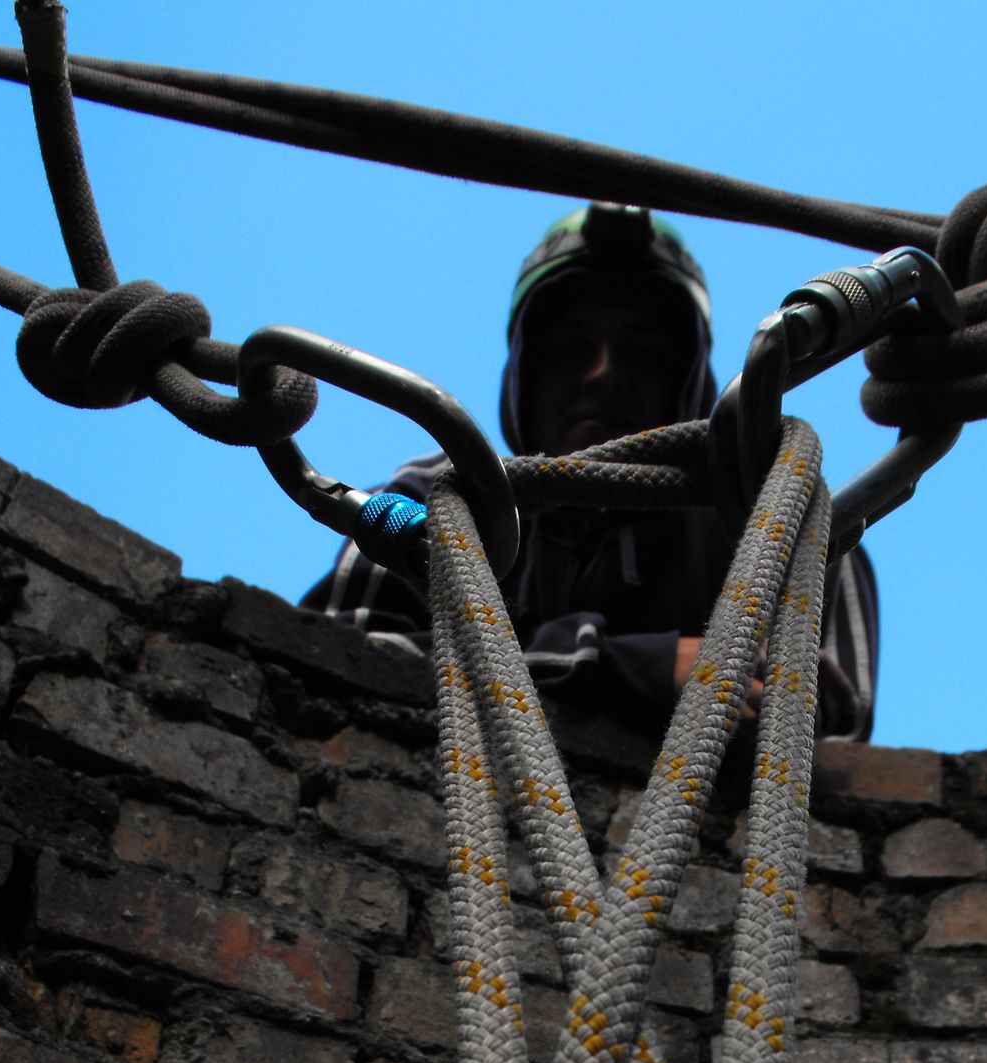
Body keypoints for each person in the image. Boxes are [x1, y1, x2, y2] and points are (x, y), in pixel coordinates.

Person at [302, 203, 879, 741]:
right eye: (568, 348)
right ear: (523, 377)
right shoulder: (435, 501)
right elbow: (338, 662)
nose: (603, 374)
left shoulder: (780, 526)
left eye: (644, 354)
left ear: (688, 384)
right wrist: (635, 666)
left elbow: (832, 731)